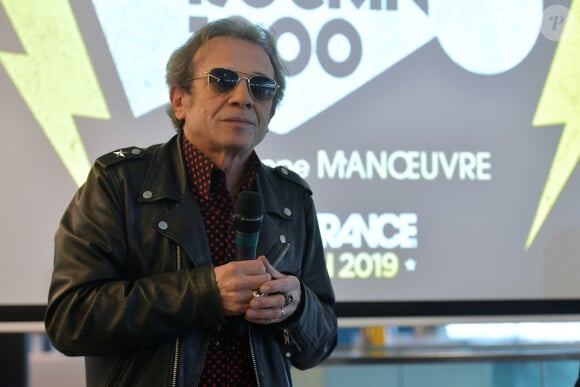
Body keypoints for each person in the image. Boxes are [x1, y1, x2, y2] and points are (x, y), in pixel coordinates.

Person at [45, 16, 337, 386]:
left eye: (261, 87)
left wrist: (298, 307)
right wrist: (206, 293)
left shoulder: (291, 198)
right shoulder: (118, 182)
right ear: (179, 99)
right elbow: (71, 319)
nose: (243, 98)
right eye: (223, 80)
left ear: (271, 111)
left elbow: (321, 342)